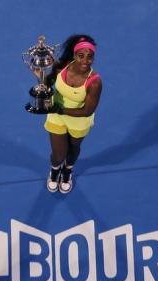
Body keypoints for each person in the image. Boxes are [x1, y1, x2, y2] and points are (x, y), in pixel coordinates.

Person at [44, 35, 102, 194]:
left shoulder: (95, 81)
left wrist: (59, 109)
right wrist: (40, 79)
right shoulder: (61, 67)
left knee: (74, 148)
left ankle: (68, 170)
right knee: (58, 154)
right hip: (57, 116)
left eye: (90, 57)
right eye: (81, 56)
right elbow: (47, 84)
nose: (85, 61)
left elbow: (87, 111)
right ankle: (55, 169)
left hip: (79, 120)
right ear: (74, 55)